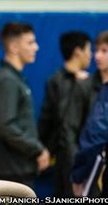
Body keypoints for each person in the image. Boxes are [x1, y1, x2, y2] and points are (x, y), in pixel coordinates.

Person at [60, 30, 108, 195]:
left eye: (104, 51)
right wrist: (78, 168)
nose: (97, 56)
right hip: (90, 166)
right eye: (96, 50)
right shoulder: (84, 86)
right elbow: (69, 129)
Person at [0, 22, 50, 188]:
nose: (36, 47)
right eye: (30, 42)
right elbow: (5, 126)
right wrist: (37, 148)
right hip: (13, 173)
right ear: (14, 47)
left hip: (18, 169)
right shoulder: (7, 80)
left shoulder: (14, 78)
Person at [38, 31, 91, 196]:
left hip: (80, 155)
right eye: (89, 49)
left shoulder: (89, 82)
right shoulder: (58, 82)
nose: (91, 55)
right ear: (78, 52)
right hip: (69, 157)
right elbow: (58, 122)